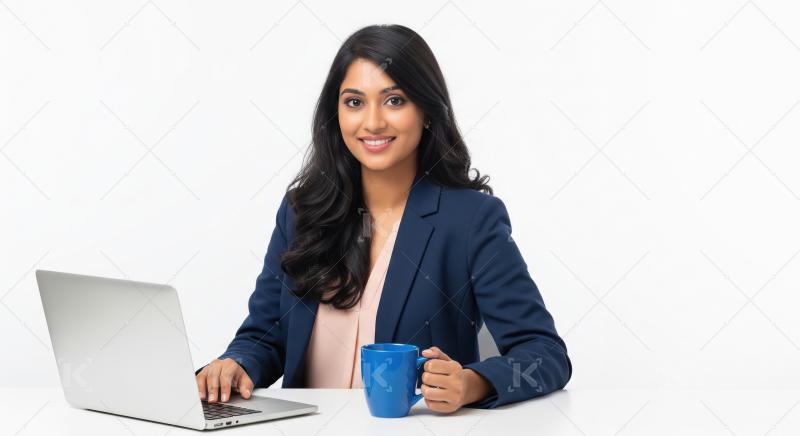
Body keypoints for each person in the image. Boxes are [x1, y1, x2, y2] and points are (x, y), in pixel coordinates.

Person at [195, 24, 572, 414]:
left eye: (394, 101)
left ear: (426, 111)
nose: (372, 122)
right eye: (354, 102)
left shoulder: (471, 221)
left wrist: (472, 383)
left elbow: (545, 355)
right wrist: (235, 364)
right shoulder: (301, 212)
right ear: (335, 114)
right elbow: (265, 333)